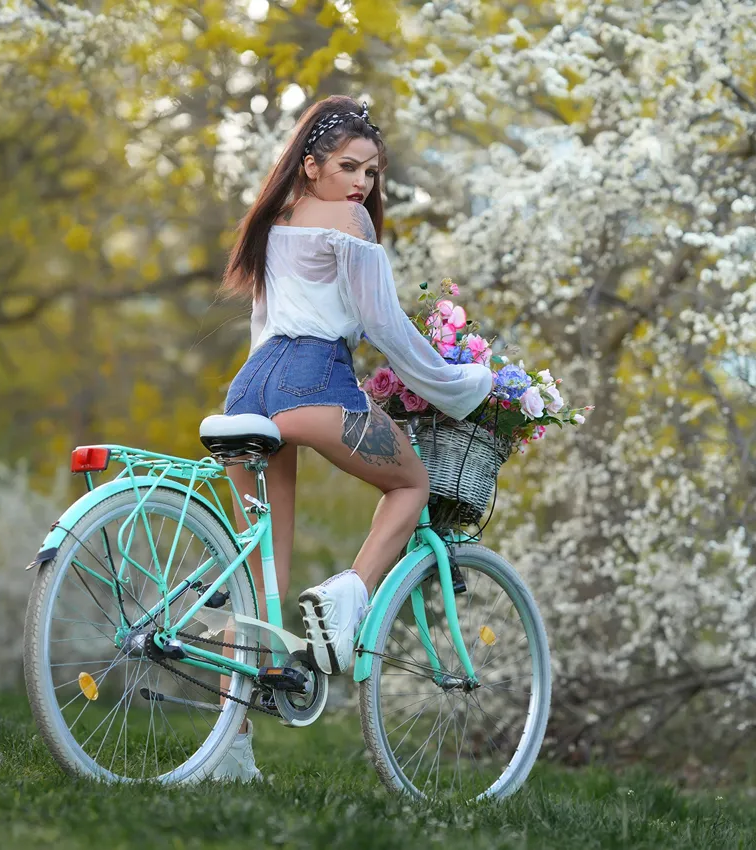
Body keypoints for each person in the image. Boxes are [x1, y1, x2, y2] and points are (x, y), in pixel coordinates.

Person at [205, 96, 493, 782]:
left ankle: (227, 750)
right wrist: (461, 385)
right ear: (310, 165)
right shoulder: (350, 224)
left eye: (370, 172)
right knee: (412, 482)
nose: (362, 184)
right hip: (312, 385)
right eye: (348, 166)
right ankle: (349, 595)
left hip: (250, 392)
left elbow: (264, 327)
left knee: (259, 577)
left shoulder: (270, 224)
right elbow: (388, 329)